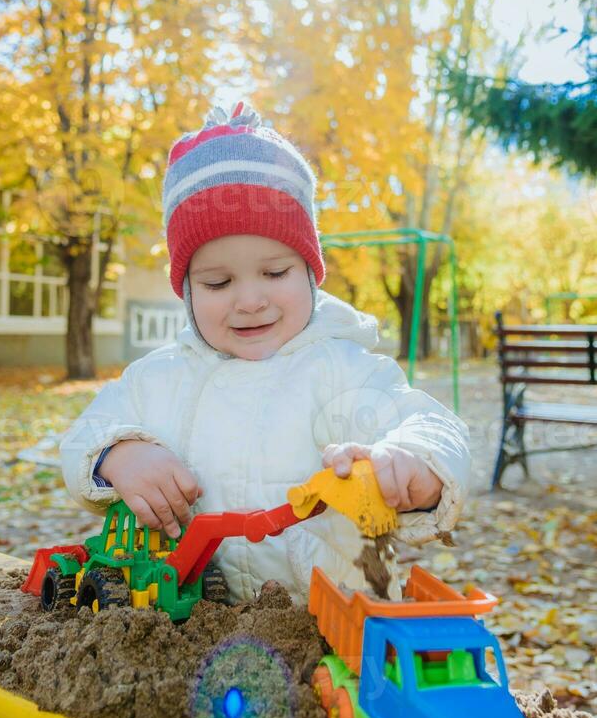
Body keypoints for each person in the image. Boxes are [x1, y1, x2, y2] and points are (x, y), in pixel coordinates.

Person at [61, 101, 470, 606]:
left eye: (275, 273)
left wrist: (413, 465)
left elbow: (431, 424)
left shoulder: (341, 370)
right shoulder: (158, 380)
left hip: (323, 621)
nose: (250, 300)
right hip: (185, 628)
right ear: (186, 290)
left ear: (310, 272)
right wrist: (118, 455)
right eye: (218, 281)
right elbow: (84, 434)